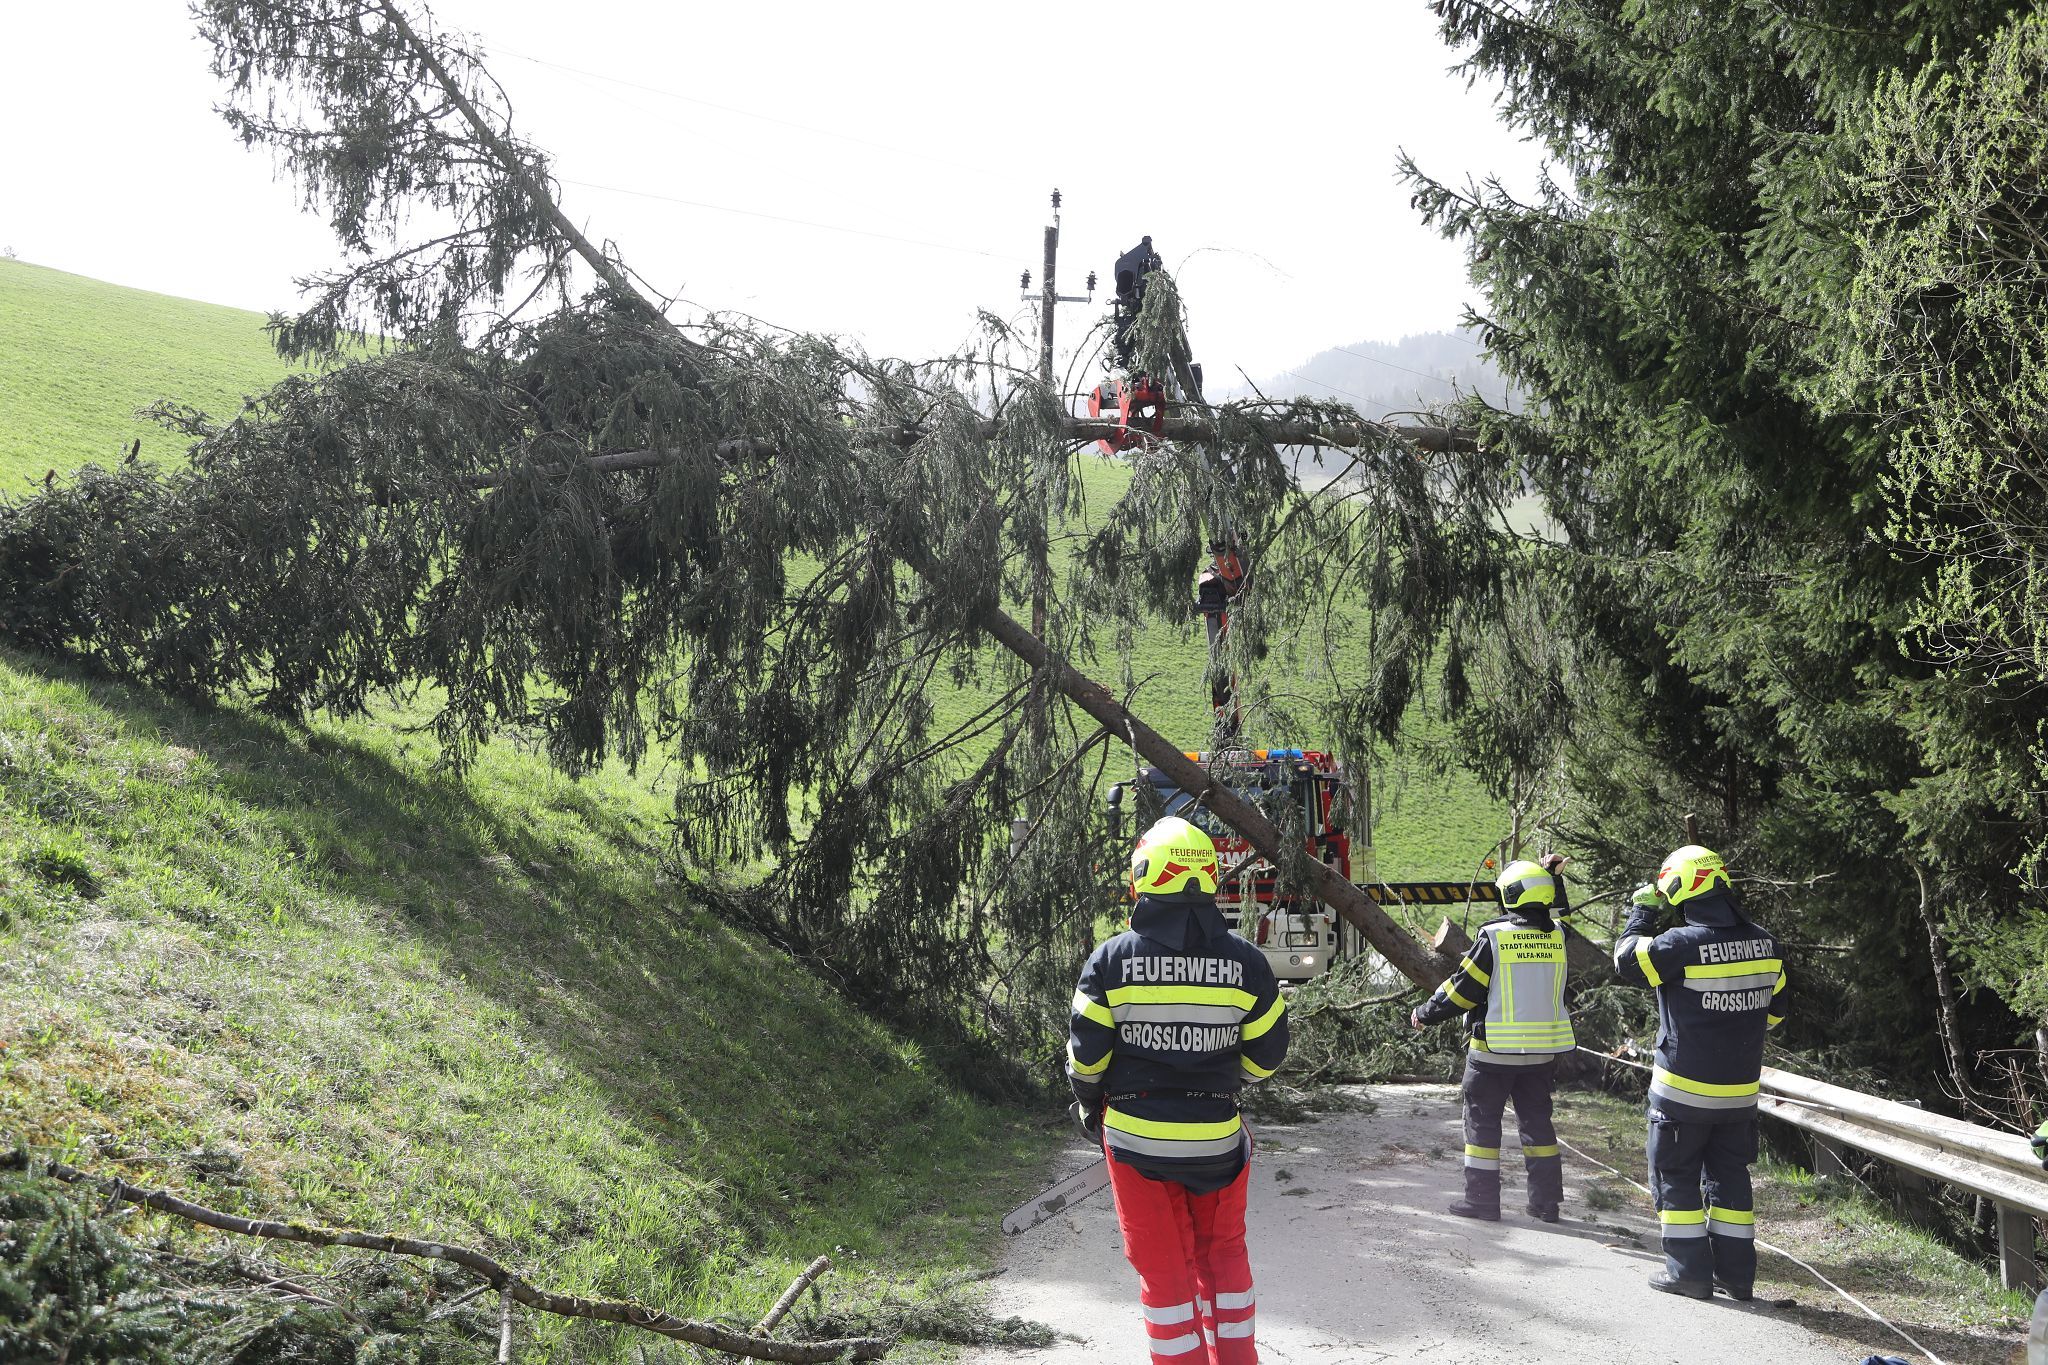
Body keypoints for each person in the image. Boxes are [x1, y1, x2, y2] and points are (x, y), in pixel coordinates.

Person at [1067, 815, 1290, 1365]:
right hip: (1217, 1139)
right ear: (1209, 878)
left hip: (1136, 1141)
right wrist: (1227, 1084)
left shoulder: (1112, 959)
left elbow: (1086, 1058)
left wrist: (1089, 1104)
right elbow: (1268, 1056)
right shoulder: (1247, 963)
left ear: (1144, 878)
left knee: (1165, 1277)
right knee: (1225, 1261)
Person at [1613, 844, 1786, 1302]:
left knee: (1676, 1177)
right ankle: (1736, 1276)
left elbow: (1627, 958)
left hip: (1682, 1095)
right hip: (1739, 1096)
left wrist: (1641, 913)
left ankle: (1688, 1274)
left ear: (1678, 889)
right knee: (1731, 1180)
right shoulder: (1766, 943)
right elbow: (1775, 1014)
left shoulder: (1679, 944)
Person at [1410, 853, 1575, 1221]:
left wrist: (1425, 1013)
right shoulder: (1561, 936)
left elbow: (1463, 991)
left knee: (1483, 1128)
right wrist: (1553, 879)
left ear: (1508, 896)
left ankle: (1482, 1202)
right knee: (1539, 1128)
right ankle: (1546, 1205)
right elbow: (1558, 914)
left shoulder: (1495, 937)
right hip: (1541, 1057)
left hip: (1493, 1056)